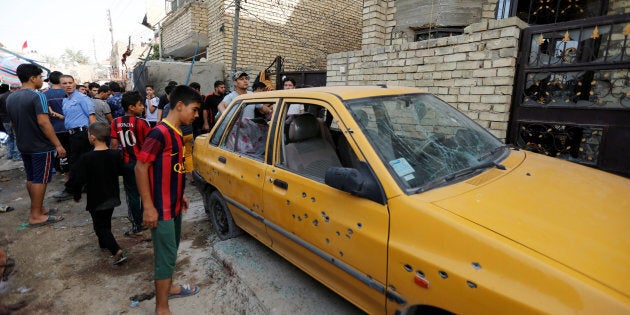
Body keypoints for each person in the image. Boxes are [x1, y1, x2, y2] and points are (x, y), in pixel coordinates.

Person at [135, 85, 202, 314]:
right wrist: (148, 207)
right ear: (180, 105)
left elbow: (174, 168)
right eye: (194, 110)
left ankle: (170, 287)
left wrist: (180, 193)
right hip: (160, 209)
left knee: (171, 253)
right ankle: (161, 308)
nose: (195, 116)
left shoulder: (177, 133)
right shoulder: (159, 133)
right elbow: (141, 167)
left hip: (173, 204)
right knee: (164, 258)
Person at [5, 64, 65, 226]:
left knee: (31, 177)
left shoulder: (12, 97)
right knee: (40, 179)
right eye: (39, 77)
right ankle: (36, 214)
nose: (41, 80)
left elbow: (12, 123)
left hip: (24, 144)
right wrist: (58, 144)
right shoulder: (37, 96)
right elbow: (44, 122)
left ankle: (38, 208)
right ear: (32, 78)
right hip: (40, 146)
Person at [68, 122, 127, 265]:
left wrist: (76, 194)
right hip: (112, 195)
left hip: (96, 198)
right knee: (105, 221)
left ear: (92, 137)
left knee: (99, 226)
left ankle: (115, 249)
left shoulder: (86, 158)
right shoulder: (115, 154)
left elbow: (78, 179)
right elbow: (121, 171)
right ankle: (104, 243)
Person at [110, 91, 152, 238]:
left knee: (133, 195)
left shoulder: (115, 122)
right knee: (146, 192)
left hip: (127, 164)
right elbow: (150, 145)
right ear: (131, 107)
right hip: (143, 165)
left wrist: (114, 165)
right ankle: (147, 220)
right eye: (140, 105)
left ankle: (137, 225)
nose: (142, 108)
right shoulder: (143, 123)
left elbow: (114, 145)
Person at [53, 74, 96, 200]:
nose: (68, 85)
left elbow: (92, 117)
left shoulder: (82, 98)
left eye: (70, 82)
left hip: (83, 134)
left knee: (74, 163)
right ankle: (87, 186)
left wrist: (93, 135)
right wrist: (57, 115)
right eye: (65, 83)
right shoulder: (66, 100)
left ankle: (71, 189)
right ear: (61, 85)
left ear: (75, 83)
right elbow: (71, 118)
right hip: (72, 134)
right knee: (82, 162)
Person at [44, 71, 70, 176]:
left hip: (53, 128)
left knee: (58, 150)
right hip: (69, 127)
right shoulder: (68, 93)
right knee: (69, 150)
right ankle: (67, 171)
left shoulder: (44, 95)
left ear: (49, 81)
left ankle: (60, 169)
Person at [0, 84, 22, 161]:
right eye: (19, 89)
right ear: (16, 89)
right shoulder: (13, 97)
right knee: (16, 137)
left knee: (10, 136)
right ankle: (16, 156)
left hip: (4, 120)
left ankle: (9, 154)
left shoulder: (2, 96)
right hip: (12, 119)